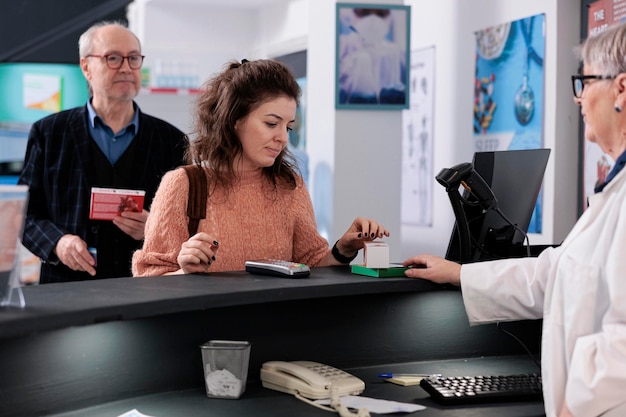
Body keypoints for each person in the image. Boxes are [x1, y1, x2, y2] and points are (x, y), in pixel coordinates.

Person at [402, 23, 626, 417]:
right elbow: (551, 274)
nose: (580, 99)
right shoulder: (614, 191)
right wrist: (459, 274)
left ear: (620, 89)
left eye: (585, 81)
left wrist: (577, 407)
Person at [132, 59, 389, 276]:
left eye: (288, 127)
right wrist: (182, 271)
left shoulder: (290, 185)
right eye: (271, 123)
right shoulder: (183, 184)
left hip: (277, 328)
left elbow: (310, 263)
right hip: (206, 330)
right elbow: (147, 277)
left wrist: (343, 248)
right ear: (235, 120)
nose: (283, 138)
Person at [18, 21, 188, 283]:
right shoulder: (49, 133)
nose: (126, 68)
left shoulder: (171, 140)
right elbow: (23, 214)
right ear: (86, 67)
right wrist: (59, 243)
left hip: (144, 290)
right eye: (113, 58)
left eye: (133, 58)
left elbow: (191, 224)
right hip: (67, 290)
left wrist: (155, 228)